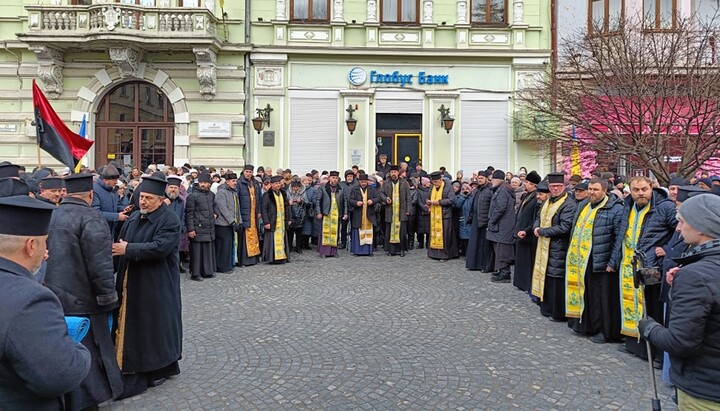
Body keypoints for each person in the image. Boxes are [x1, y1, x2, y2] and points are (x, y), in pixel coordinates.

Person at [0, 195, 91, 409]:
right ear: (31, 246)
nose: (45, 251)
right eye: (44, 242)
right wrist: (77, 349)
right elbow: (61, 374)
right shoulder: (30, 300)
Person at [44, 173, 123, 408]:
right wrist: (108, 297)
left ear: (66, 193)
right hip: (86, 300)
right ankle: (94, 396)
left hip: (55, 294)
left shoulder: (50, 215)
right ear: (90, 194)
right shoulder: (92, 218)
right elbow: (101, 264)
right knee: (92, 349)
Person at [638, 193, 720, 409]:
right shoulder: (699, 272)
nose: (677, 228)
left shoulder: (695, 275)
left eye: (682, 221)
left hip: (705, 389)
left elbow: (680, 342)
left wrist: (649, 328)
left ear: (701, 227)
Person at [111, 176, 182, 399]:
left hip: (156, 284)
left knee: (155, 327)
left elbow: (160, 247)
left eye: (149, 198)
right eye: (142, 197)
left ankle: (158, 367)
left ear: (160, 200)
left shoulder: (169, 220)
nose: (143, 202)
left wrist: (129, 249)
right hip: (130, 281)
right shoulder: (133, 218)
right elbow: (118, 245)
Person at [619, 176, 677, 361]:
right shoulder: (627, 205)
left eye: (644, 189)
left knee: (652, 307)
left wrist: (667, 249)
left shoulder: (665, 206)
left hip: (653, 267)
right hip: (630, 264)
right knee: (633, 304)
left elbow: (681, 232)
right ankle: (636, 345)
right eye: (636, 190)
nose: (640, 193)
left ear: (651, 188)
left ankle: (656, 353)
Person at [565, 178, 626, 343]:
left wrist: (613, 262)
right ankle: (587, 325)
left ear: (604, 191)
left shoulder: (615, 209)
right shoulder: (584, 205)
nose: (592, 192)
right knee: (588, 294)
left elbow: (619, 238)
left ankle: (605, 331)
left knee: (603, 298)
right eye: (590, 189)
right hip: (583, 259)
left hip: (602, 259)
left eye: (595, 189)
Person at [532, 172, 577, 321]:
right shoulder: (548, 201)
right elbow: (539, 217)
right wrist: (536, 227)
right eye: (552, 186)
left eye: (558, 186)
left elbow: (565, 227)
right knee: (547, 277)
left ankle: (557, 312)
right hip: (545, 245)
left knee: (556, 279)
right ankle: (546, 308)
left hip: (558, 247)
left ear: (564, 186)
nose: (555, 189)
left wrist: (542, 231)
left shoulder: (568, 203)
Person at [513, 171, 542, 291]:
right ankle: (521, 283)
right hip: (521, 231)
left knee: (527, 260)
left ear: (534, 185)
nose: (525, 184)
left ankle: (527, 284)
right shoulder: (526, 195)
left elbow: (535, 218)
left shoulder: (536, 198)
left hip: (528, 234)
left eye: (527, 183)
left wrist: (526, 230)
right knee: (521, 260)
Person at [487, 169, 517, 283]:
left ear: (497, 180)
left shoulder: (503, 190)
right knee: (500, 248)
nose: (491, 182)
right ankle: (501, 270)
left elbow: (500, 207)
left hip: (502, 225)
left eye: (493, 180)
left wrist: (492, 220)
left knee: (502, 249)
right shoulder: (503, 188)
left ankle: (505, 273)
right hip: (503, 225)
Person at [185, 172, 216, 281]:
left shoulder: (212, 195)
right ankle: (196, 273)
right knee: (197, 252)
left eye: (205, 182)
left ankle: (207, 271)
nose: (203, 184)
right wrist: (191, 229)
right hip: (197, 227)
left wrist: (215, 213)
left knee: (207, 250)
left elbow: (214, 207)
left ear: (209, 184)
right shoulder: (193, 196)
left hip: (208, 226)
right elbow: (189, 214)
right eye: (201, 182)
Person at [379, 165, 412, 257]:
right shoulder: (386, 183)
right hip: (390, 210)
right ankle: (391, 250)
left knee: (401, 231)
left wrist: (408, 209)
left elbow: (408, 197)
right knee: (390, 231)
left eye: (395, 172)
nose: (393, 174)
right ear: (390, 173)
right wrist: (386, 199)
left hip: (401, 210)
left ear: (398, 173)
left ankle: (401, 249)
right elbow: (381, 193)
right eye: (392, 172)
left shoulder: (404, 183)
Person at [314, 170, 348, 258]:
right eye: (333, 178)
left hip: (336, 214)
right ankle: (324, 252)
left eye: (336, 178)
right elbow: (318, 201)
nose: (334, 180)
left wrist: (345, 213)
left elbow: (345, 202)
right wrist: (318, 212)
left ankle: (333, 252)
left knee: (335, 232)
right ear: (329, 178)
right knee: (325, 233)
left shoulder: (341, 189)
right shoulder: (323, 188)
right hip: (326, 213)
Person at [466, 171, 494, 271]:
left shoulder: (490, 190)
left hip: (485, 221)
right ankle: (474, 264)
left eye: (482, 178)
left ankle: (484, 265)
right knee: (475, 243)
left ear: (487, 179)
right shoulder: (478, 190)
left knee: (484, 245)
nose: (479, 180)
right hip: (476, 219)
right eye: (478, 178)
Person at [426, 171, 457, 261]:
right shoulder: (432, 187)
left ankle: (444, 255)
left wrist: (439, 202)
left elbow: (452, 200)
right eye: (433, 182)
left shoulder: (448, 187)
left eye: (436, 182)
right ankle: (433, 253)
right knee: (433, 235)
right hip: (434, 215)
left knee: (445, 236)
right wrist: (428, 202)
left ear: (440, 180)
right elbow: (428, 196)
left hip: (445, 215)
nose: (434, 184)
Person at [261, 175, 291, 264]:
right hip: (272, 221)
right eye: (276, 183)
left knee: (282, 239)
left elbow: (287, 207)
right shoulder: (267, 195)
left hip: (281, 221)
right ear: (271, 184)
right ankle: (272, 258)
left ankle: (282, 256)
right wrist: (266, 222)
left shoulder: (283, 193)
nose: (278, 185)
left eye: (279, 183)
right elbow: (264, 209)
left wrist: (289, 218)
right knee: (272, 240)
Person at [214, 172, 240, 273]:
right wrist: (232, 221)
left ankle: (228, 265)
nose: (235, 183)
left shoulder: (233, 192)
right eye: (233, 181)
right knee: (223, 247)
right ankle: (222, 267)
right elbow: (222, 208)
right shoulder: (221, 192)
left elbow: (237, 209)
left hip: (230, 224)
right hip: (222, 224)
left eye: (235, 181)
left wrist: (238, 221)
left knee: (229, 246)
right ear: (227, 181)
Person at [349, 174, 381, 256]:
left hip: (369, 214)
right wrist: (356, 203)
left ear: (367, 182)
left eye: (365, 182)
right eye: (362, 182)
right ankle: (357, 251)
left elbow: (378, 198)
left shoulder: (372, 189)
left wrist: (372, 201)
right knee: (358, 233)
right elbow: (350, 200)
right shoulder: (354, 189)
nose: (363, 183)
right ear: (359, 181)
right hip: (358, 214)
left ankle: (368, 251)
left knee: (369, 233)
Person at [237, 165, 262, 267]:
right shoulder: (239, 183)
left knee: (254, 236)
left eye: (250, 172)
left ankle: (254, 258)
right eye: (247, 172)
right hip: (245, 213)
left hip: (254, 213)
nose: (248, 174)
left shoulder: (255, 183)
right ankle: (244, 260)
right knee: (245, 238)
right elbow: (237, 200)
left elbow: (259, 198)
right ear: (243, 172)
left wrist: (259, 211)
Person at [93, 164, 128, 234]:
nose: (116, 182)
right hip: (98, 231)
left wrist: (124, 208)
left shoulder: (113, 189)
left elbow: (113, 205)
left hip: (110, 230)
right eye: (114, 180)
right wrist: (117, 216)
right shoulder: (94, 190)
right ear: (105, 180)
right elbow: (95, 213)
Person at [165, 176, 188, 272]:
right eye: (171, 187)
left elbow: (183, 215)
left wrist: (182, 227)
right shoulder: (162, 201)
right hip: (164, 230)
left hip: (177, 230)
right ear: (167, 188)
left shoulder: (181, 202)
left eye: (175, 188)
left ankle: (176, 265)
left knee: (176, 249)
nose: (173, 190)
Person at [287, 180, 308, 253]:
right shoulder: (288, 192)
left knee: (299, 233)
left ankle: (298, 247)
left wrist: (301, 201)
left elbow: (307, 202)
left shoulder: (303, 192)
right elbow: (285, 202)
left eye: (297, 187)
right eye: (294, 187)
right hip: (291, 214)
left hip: (300, 215)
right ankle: (289, 247)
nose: (295, 189)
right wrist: (289, 203)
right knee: (290, 233)